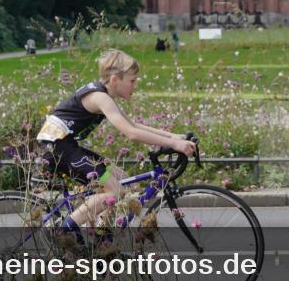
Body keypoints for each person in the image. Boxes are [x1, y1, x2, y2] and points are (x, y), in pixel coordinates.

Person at [37, 49, 196, 233]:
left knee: (123, 179)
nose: (135, 85)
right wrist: (175, 145)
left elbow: (134, 124)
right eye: (132, 81)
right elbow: (132, 133)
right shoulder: (100, 97)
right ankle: (60, 234)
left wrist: (173, 137)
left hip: (66, 145)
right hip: (59, 148)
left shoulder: (104, 95)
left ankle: (102, 239)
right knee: (115, 191)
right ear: (114, 80)